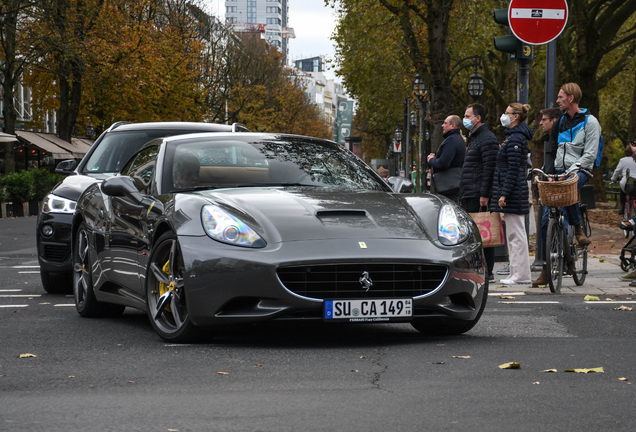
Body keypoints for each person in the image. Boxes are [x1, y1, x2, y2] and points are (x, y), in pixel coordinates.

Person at [533, 83, 601, 287]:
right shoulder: (560, 123)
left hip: (580, 170)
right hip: (559, 172)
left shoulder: (591, 122)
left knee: (569, 186)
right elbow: (552, 151)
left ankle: (578, 229)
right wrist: (550, 173)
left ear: (571, 98)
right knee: (546, 220)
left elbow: (590, 154)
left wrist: (571, 171)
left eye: (561, 97)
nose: (557, 100)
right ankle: (546, 268)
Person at [491, 103, 533, 284]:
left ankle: (521, 275)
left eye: (507, 113)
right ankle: (516, 272)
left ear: (515, 116)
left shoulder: (515, 139)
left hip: (513, 192)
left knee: (516, 235)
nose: (504, 116)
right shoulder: (513, 138)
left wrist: (504, 194)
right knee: (514, 235)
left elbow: (513, 170)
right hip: (514, 191)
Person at [460, 103, 499, 282]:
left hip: (478, 193)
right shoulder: (475, 137)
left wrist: (485, 193)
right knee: (477, 232)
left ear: (478, 118)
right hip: (471, 191)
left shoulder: (487, 138)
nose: (465, 119)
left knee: (484, 232)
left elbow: (489, 168)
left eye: (468, 116)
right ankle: (480, 267)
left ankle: (488, 270)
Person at [427, 115, 465, 202]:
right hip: (454, 184)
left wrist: (431, 159)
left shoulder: (451, 140)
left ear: (453, 125)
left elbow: (443, 163)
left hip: (448, 186)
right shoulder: (458, 139)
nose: (442, 125)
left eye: (445, 123)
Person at [611, 143, 636, 215]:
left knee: (623, 188)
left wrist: (613, 179)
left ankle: (622, 206)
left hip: (628, 182)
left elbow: (617, 171)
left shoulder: (623, 160)